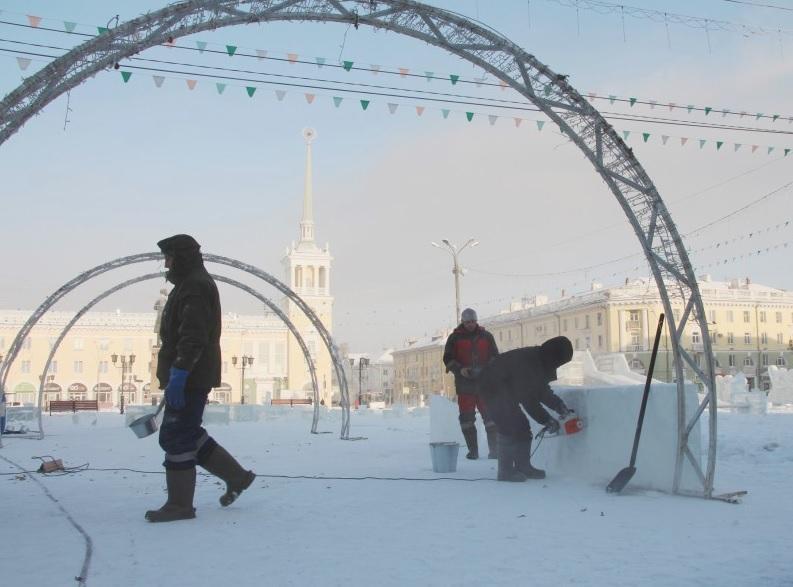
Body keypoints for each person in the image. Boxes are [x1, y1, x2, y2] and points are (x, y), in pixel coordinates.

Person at [145, 234, 256, 523]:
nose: (166, 264)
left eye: (169, 258)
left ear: (181, 258)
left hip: (191, 376)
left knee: (176, 436)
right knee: (188, 432)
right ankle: (237, 477)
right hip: (191, 374)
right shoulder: (189, 284)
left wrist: (180, 373)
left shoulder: (194, 286)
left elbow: (193, 335)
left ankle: (179, 504)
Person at [483, 336, 574, 482]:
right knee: (509, 426)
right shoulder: (529, 364)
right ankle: (505, 472)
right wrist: (547, 420)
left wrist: (560, 407)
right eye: (559, 362)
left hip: (505, 389)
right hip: (492, 389)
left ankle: (523, 467)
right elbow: (528, 400)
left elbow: (542, 391)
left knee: (522, 427)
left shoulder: (540, 360)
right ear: (554, 356)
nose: (558, 366)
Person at [442, 308, 499, 460]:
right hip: (465, 386)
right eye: (467, 322)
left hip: (485, 385)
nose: (470, 324)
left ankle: (495, 450)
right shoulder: (454, 338)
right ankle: (473, 451)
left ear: (476, 321)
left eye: (473, 321)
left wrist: (488, 370)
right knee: (466, 420)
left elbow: (495, 356)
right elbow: (448, 358)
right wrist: (460, 369)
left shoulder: (486, 336)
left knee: (491, 418)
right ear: (462, 322)